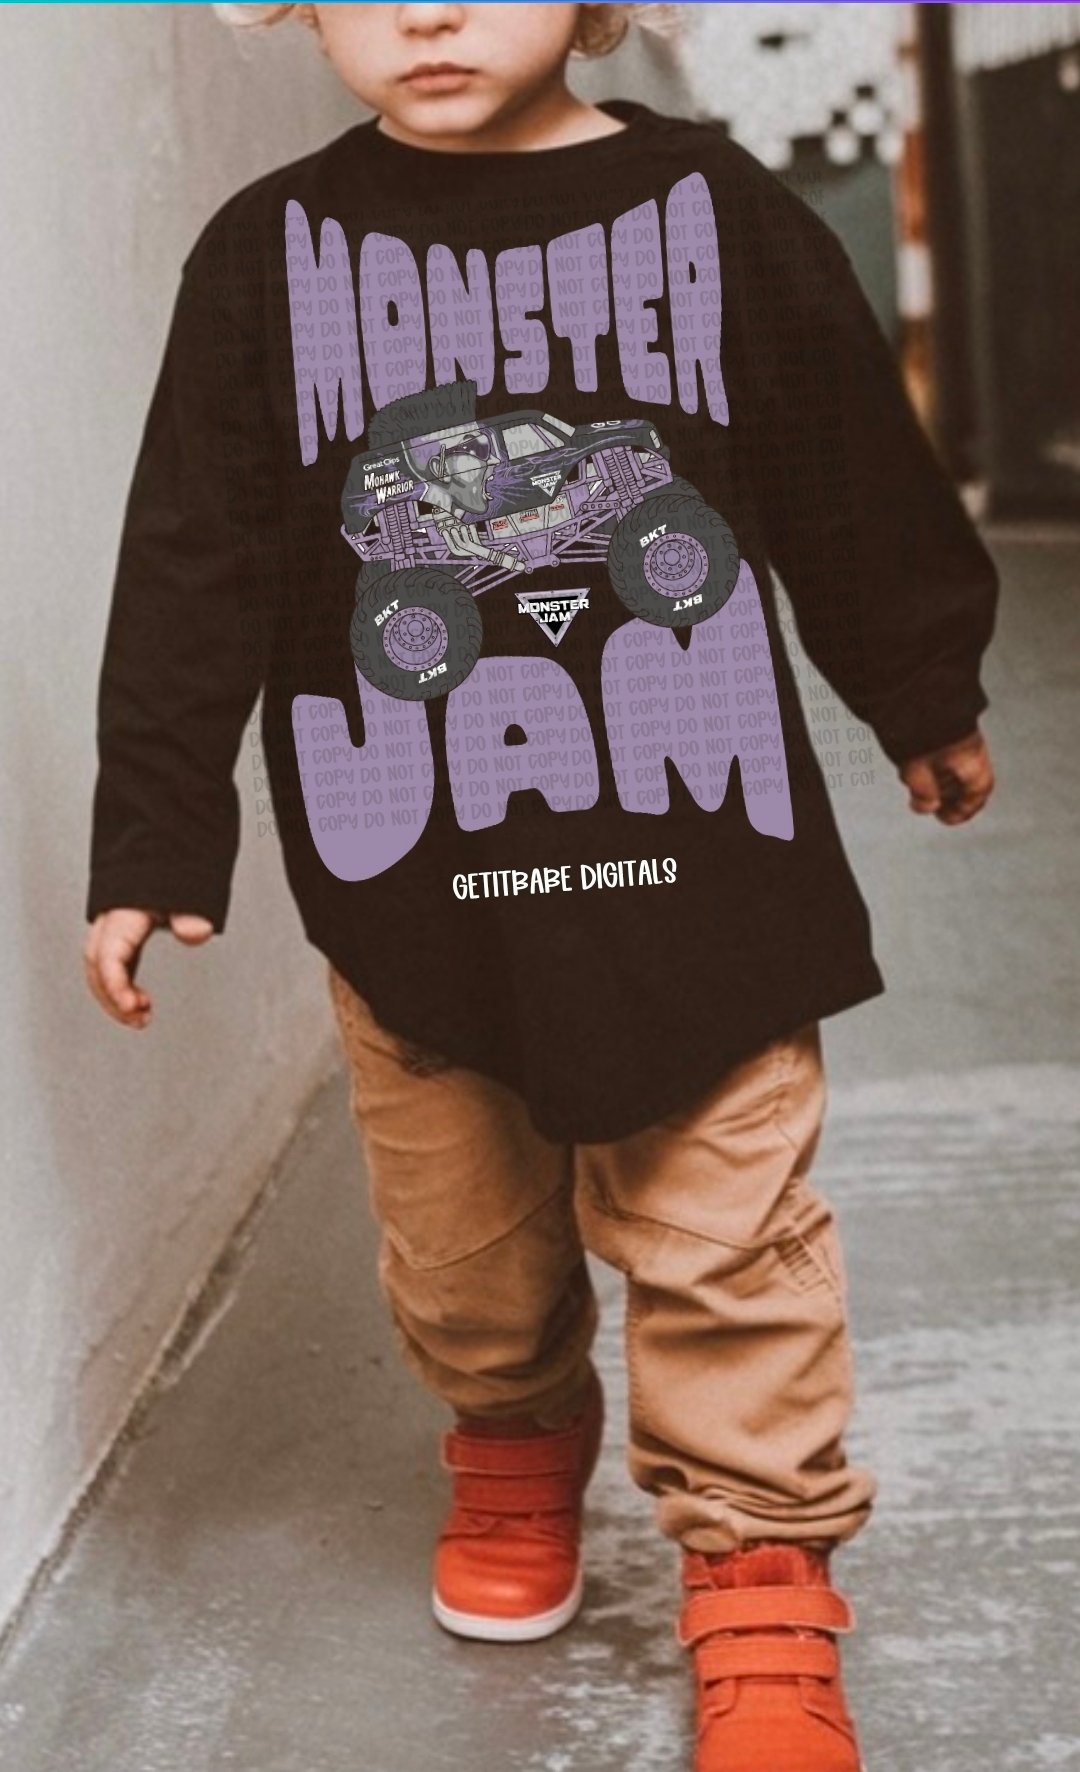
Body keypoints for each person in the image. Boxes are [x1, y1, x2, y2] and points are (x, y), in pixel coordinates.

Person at [81, 6, 999, 1768]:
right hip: (412, 879)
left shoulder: (718, 214)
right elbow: (195, 554)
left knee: (733, 1241)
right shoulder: (268, 256)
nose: (426, 11)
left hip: (703, 860)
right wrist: (154, 833)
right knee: (467, 1261)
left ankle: (761, 1570)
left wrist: (923, 685)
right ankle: (512, 1436)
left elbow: (847, 474)